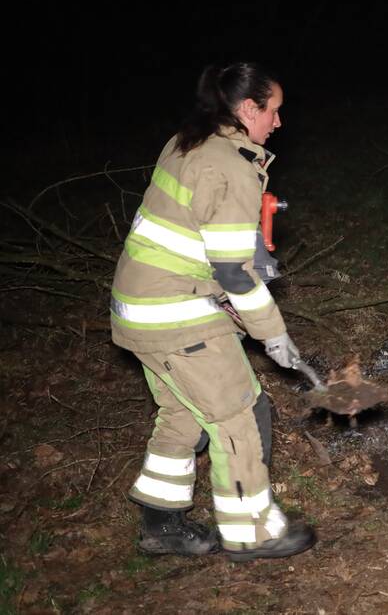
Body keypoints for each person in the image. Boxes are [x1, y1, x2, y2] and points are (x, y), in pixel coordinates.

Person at [110, 62, 316, 561]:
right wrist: (273, 333)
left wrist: (233, 307)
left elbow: (196, 244)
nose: (279, 122)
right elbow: (233, 271)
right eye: (274, 111)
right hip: (172, 314)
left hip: (139, 306)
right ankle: (253, 533)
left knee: (183, 413)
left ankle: (161, 526)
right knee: (237, 416)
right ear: (248, 108)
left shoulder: (189, 142)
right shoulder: (228, 164)